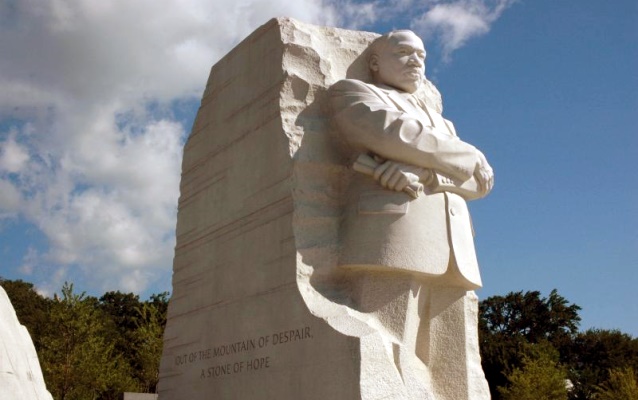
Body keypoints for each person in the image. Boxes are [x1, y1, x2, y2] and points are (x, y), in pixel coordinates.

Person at [329, 30, 493, 400]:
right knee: (389, 353)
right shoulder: (354, 93)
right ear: (374, 62)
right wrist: (467, 156)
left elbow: (481, 184)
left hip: (454, 247)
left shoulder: (444, 125)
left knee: (457, 368)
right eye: (403, 52)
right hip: (394, 235)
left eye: (421, 54)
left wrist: (426, 173)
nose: (416, 60)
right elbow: (394, 133)